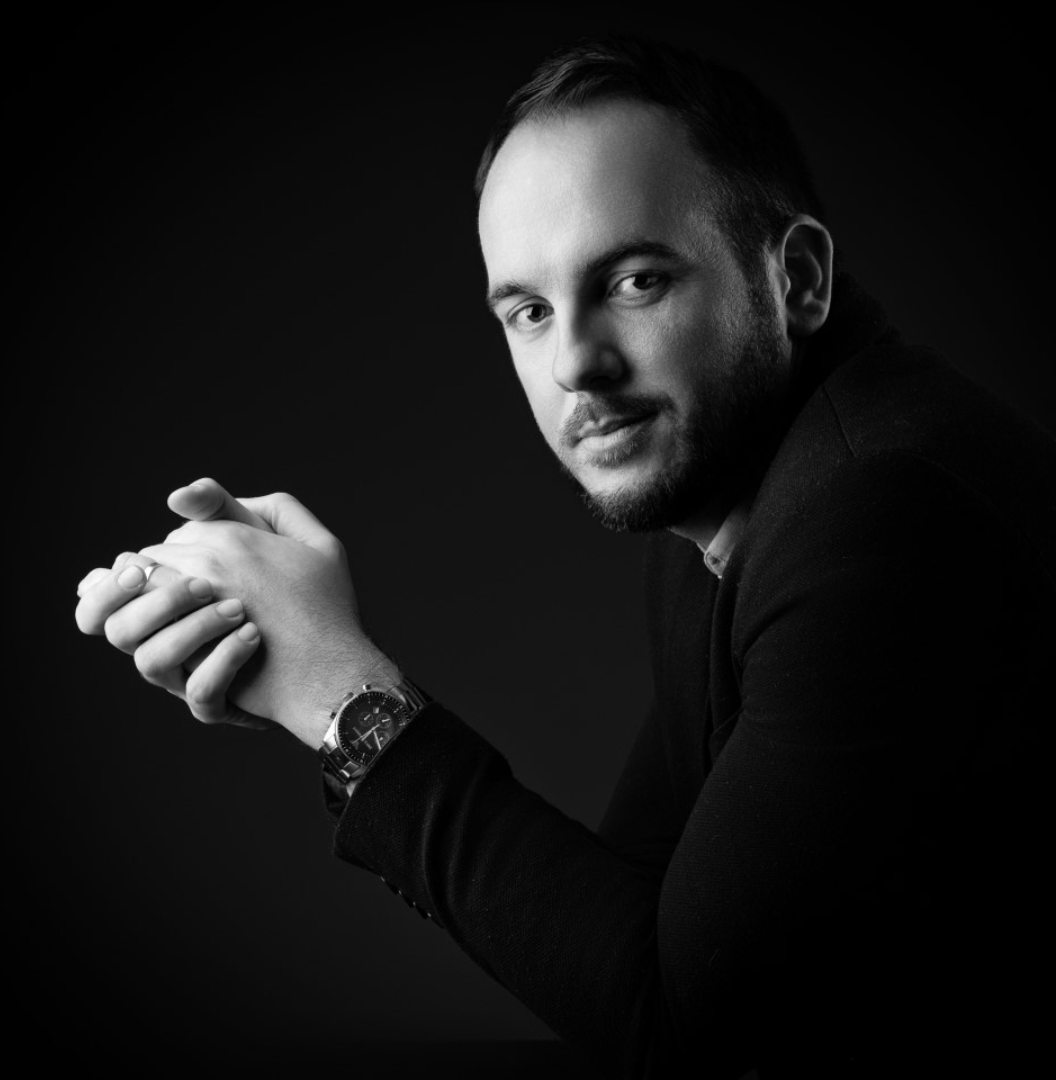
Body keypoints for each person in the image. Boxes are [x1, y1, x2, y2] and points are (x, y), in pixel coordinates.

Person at [74, 36, 1054, 1078]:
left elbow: (682, 1028)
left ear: (797, 278)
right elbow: (628, 924)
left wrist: (335, 691)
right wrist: (268, 634)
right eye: (530, 312)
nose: (576, 364)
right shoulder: (729, 506)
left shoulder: (879, 518)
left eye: (635, 281)